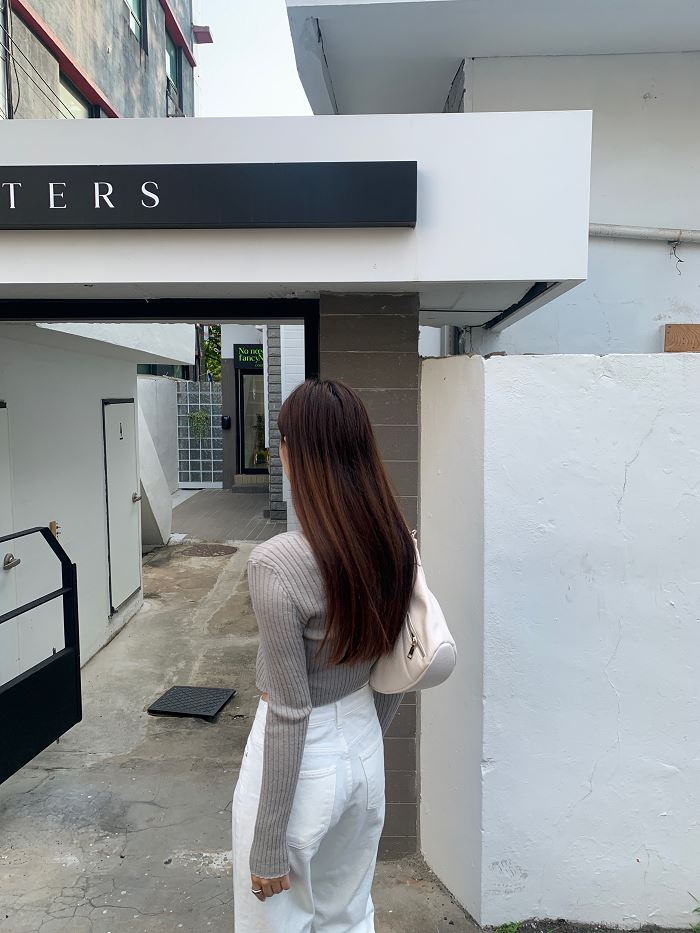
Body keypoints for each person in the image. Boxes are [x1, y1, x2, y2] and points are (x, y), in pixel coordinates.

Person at [231, 378, 417, 932]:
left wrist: (268, 842)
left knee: (274, 923)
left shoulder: (276, 563)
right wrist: (364, 736)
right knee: (349, 916)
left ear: (294, 454)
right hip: (365, 743)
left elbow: (290, 709)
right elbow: (396, 665)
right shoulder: (396, 543)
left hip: (301, 759)